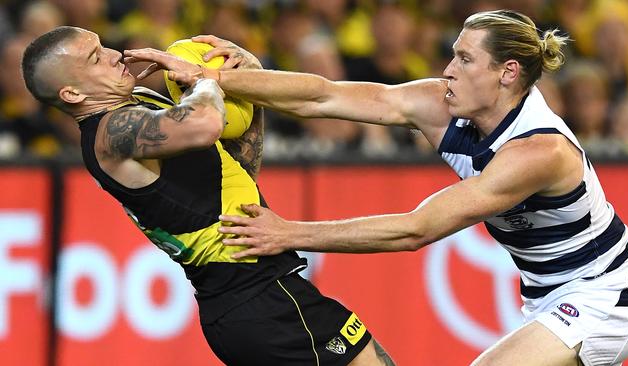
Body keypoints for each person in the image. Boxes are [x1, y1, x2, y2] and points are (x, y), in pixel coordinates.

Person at [124, 10, 628, 366]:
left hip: (605, 297)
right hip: (546, 295)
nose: (448, 70)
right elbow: (323, 97)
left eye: (465, 60)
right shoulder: (444, 103)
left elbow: (414, 229)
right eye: (453, 54)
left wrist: (288, 233)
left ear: (508, 73)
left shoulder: (539, 152)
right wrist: (210, 78)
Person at [21, 26, 394, 366]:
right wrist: (205, 79)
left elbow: (237, 174)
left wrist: (249, 79)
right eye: (95, 58)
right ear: (72, 93)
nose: (115, 55)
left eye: (103, 46)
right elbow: (204, 123)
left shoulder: (137, 104)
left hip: (260, 296)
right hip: (257, 302)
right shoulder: (110, 134)